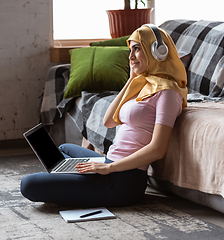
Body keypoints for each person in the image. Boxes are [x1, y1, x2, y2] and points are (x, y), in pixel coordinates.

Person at [20, 24, 188, 207]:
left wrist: (109, 168)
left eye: (137, 49)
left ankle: (75, 180)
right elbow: (108, 121)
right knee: (65, 148)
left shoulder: (168, 93)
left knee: (28, 184)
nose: (130, 57)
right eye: (130, 50)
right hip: (111, 163)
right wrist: (131, 79)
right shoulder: (144, 84)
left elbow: (158, 148)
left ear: (157, 51)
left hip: (123, 180)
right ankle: (73, 176)